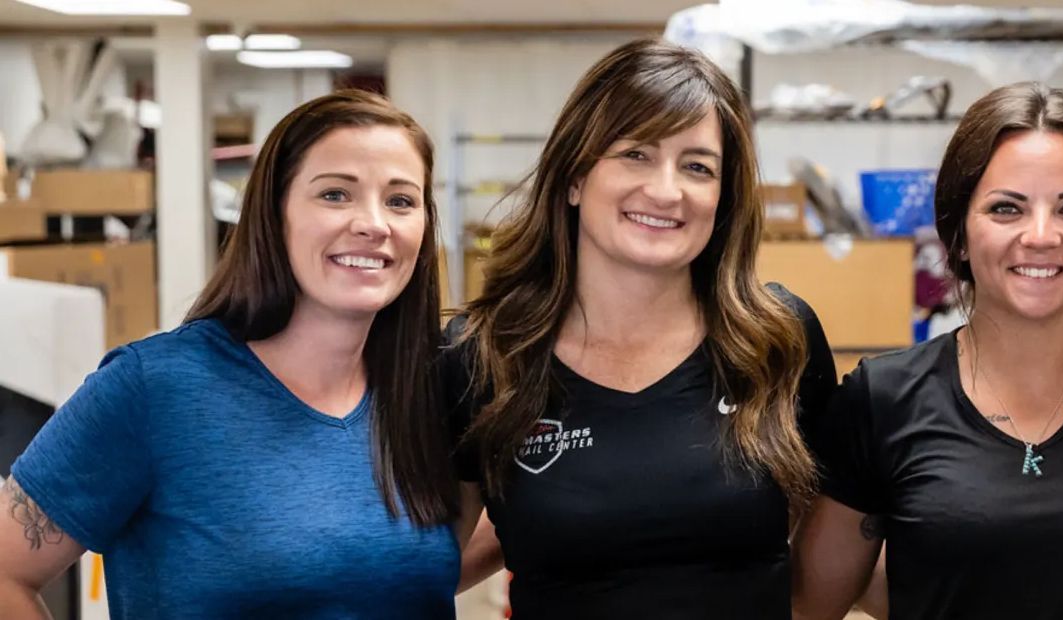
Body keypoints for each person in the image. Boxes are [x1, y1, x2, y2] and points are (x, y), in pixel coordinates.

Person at [0, 90, 463, 618]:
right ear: (274, 213)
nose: (373, 223)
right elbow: (5, 572)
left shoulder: (428, 391)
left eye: (401, 201)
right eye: (335, 194)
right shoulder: (154, 388)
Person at [443, 39, 836, 618]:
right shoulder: (482, 357)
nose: (666, 189)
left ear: (723, 198)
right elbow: (427, 562)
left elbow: (836, 545)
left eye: (698, 166)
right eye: (635, 154)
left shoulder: (776, 339)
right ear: (575, 177)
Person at [791, 82, 1063, 620]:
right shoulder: (884, 398)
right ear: (959, 233)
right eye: (1007, 208)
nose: (1041, 235)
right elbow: (809, 605)